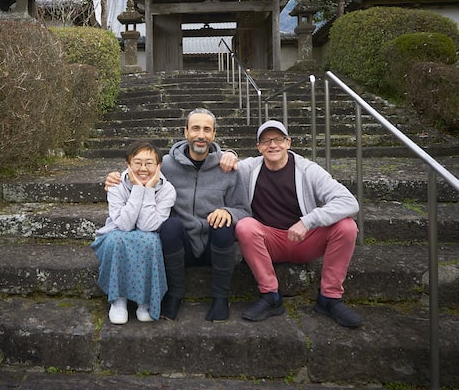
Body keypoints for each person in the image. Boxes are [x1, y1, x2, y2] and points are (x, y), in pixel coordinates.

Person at [105, 108, 250, 322]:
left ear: (214, 134)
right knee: (171, 225)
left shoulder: (227, 168)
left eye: (207, 130)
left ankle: (220, 297)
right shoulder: (168, 165)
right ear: (185, 132)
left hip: (214, 246)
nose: (201, 135)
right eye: (195, 128)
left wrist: (227, 211)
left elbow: (244, 210)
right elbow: (139, 168)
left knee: (224, 224)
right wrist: (115, 177)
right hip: (181, 247)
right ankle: (174, 294)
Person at [223, 119, 362, 328]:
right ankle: (270, 296)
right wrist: (229, 153)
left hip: (305, 239)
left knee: (347, 227)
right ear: (258, 147)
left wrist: (308, 221)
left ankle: (330, 298)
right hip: (269, 242)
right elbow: (215, 163)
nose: (273, 145)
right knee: (245, 226)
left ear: (288, 142)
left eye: (278, 139)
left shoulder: (308, 170)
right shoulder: (249, 168)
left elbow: (349, 202)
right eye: (266, 141)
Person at [92, 139, 176, 324]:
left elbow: (148, 226)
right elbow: (124, 225)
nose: (143, 169)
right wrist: (138, 189)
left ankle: (145, 301)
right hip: (116, 232)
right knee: (117, 240)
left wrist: (148, 190)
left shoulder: (167, 190)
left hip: (149, 235)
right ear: (128, 165)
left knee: (149, 241)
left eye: (149, 163)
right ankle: (118, 300)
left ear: (159, 165)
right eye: (137, 163)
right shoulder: (116, 185)